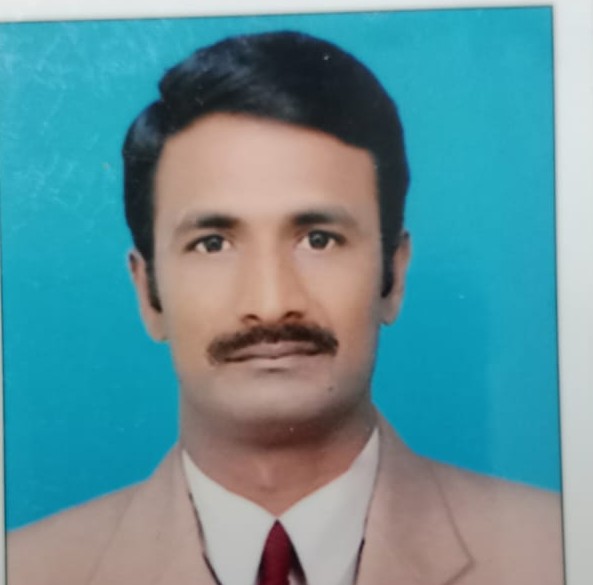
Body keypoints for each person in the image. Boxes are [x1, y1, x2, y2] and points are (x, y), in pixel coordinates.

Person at [8, 31, 563, 585]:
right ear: (147, 292)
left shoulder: (560, 552)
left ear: (393, 276)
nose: (271, 305)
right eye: (212, 244)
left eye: (319, 239)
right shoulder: (25, 570)